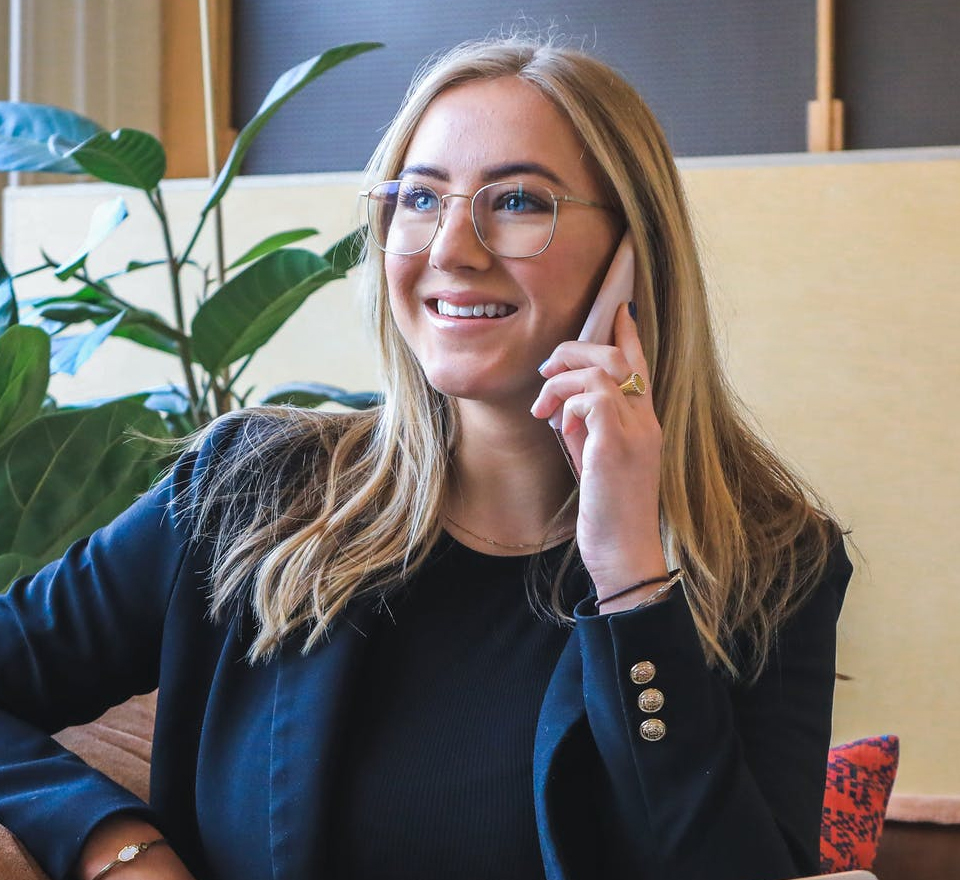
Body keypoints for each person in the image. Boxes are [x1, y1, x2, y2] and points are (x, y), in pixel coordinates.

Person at [0, 36, 851, 880]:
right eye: (419, 198)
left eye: (518, 201)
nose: (452, 247)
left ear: (635, 252)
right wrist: (112, 844)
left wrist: (631, 574)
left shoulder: (774, 562)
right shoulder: (248, 491)